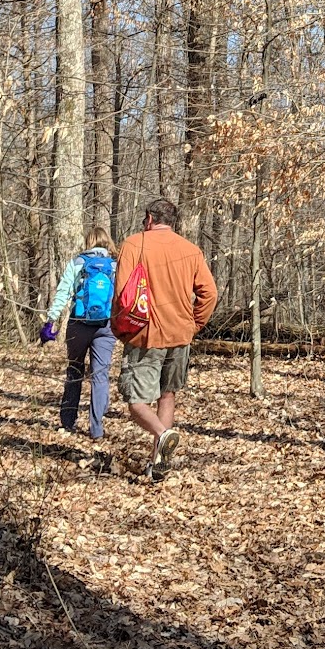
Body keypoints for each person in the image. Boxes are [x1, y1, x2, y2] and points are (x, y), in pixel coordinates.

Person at [114, 197, 217, 478]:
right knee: (166, 395)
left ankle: (162, 435)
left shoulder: (135, 244)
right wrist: (194, 324)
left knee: (135, 401)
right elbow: (210, 293)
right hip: (180, 334)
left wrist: (119, 328)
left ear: (149, 218)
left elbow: (123, 294)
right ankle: (159, 465)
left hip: (145, 334)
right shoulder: (190, 250)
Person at [40, 234, 118, 443]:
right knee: (100, 375)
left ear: (88, 242)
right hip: (106, 325)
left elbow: (63, 293)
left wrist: (50, 321)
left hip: (78, 324)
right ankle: (97, 429)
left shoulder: (78, 263)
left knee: (74, 370)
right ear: (107, 242)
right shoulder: (114, 265)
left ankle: (68, 421)